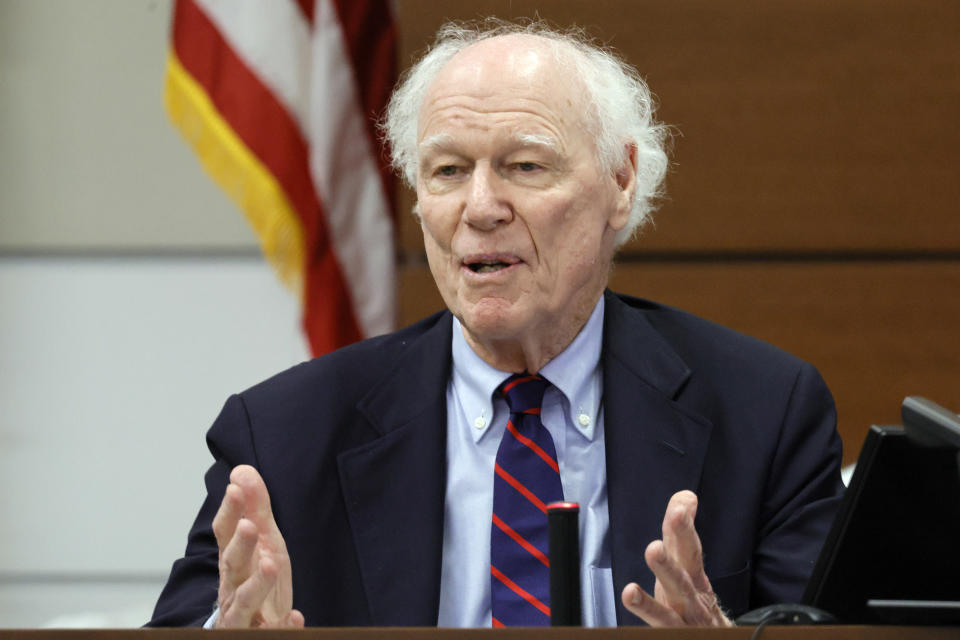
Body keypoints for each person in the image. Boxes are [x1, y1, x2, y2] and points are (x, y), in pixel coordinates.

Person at [148, 20, 843, 629]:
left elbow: (833, 624)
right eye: (448, 171)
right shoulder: (283, 434)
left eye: (524, 166)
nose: (481, 208)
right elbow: (189, 620)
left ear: (621, 182)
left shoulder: (765, 414)